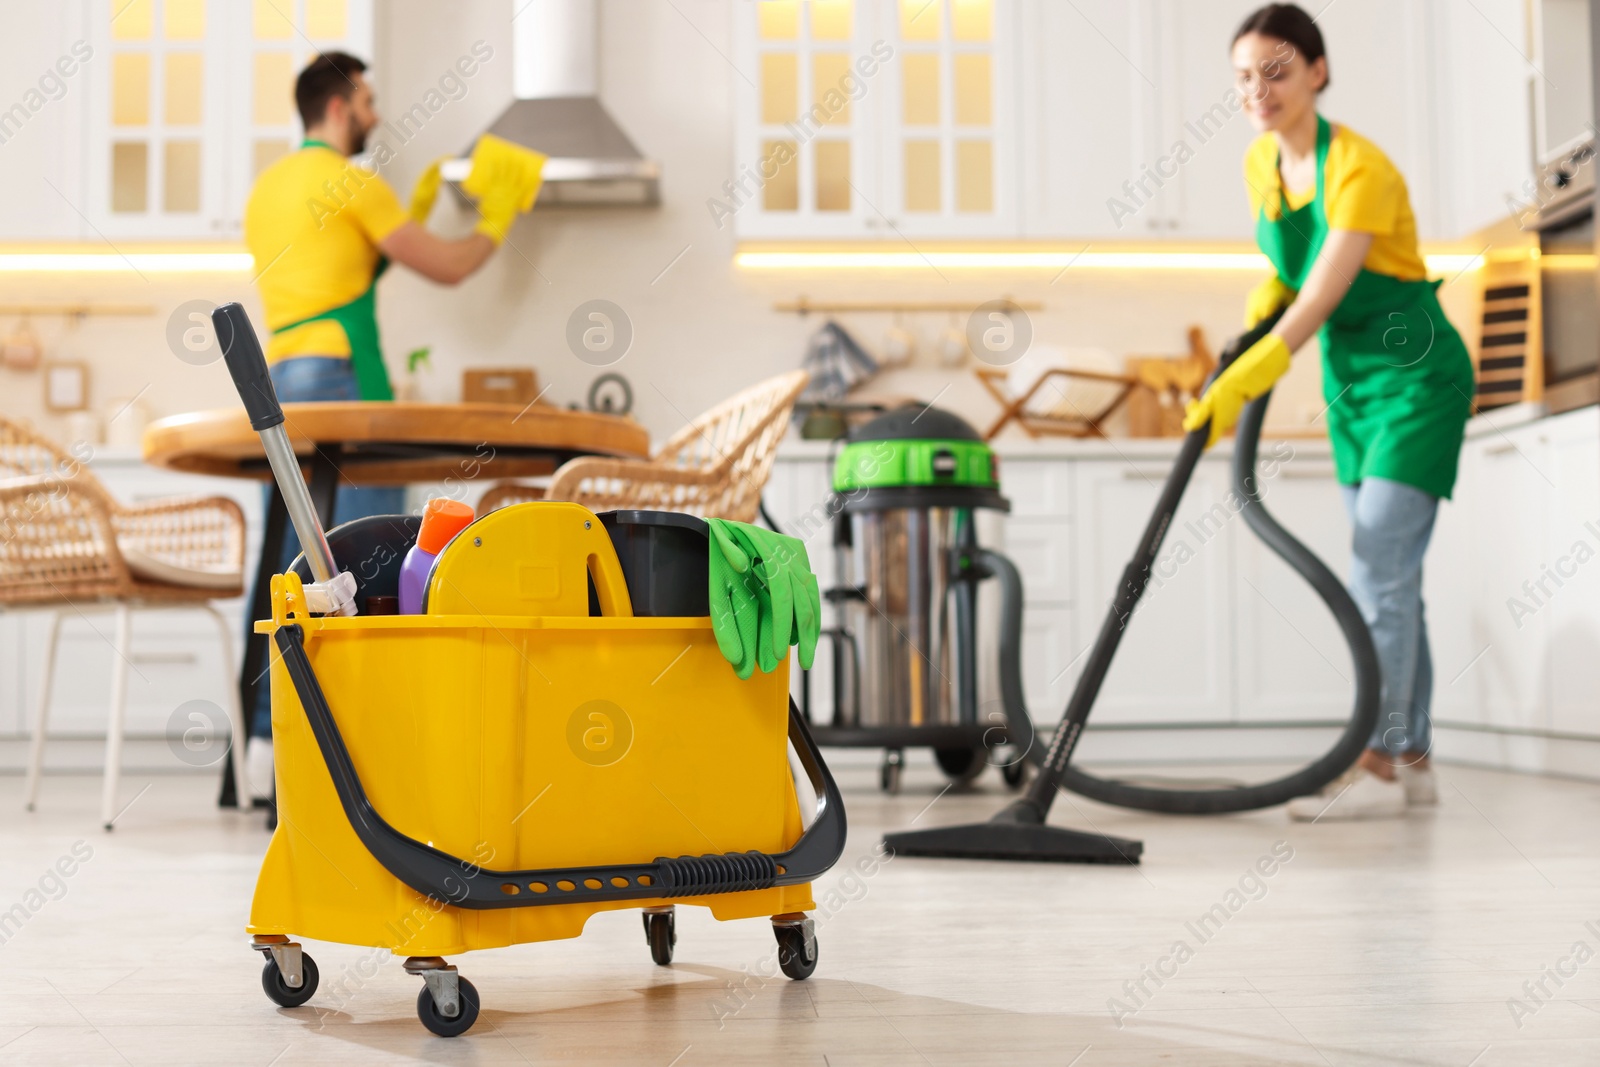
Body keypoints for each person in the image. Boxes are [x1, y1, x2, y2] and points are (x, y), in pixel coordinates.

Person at [1185, 4, 1474, 820]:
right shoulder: (1260, 165)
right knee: (1395, 581)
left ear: (1317, 71)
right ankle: (1413, 755)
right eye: (1244, 76)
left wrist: (1265, 361)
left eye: (1276, 71)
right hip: (1352, 389)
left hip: (1417, 378)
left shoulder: (1361, 169)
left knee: (1377, 567)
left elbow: (1322, 290)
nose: (1258, 90)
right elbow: (1285, 272)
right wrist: (1246, 337)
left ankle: (1371, 757)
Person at [239, 52, 546, 799]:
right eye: (369, 101)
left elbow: (344, 268)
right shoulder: (350, 181)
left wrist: (417, 203)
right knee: (358, 568)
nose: (376, 115)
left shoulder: (268, 188)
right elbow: (447, 266)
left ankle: (263, 750)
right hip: (339, 375)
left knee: (289, 569)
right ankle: (356, 753)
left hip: (282, 383)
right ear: (340, 105)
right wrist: (497, 214)